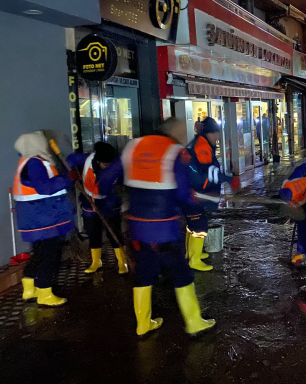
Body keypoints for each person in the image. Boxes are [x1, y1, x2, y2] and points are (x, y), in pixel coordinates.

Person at [122, 118, 215, 336]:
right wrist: (196, 200)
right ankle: (194, 323)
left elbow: (108, 178)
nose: (185, 135)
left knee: (144, 273)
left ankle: (143, 325)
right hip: (164, 228)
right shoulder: (174, 152)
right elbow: (182, 192)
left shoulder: (133, 147)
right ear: (172, 132)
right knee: (181, 273)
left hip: (137, 228)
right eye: (182, 131)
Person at [13, 131, 76, 306]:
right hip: (42, 216)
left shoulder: (28, 161)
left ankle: (30, 287)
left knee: (40, 253)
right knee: (49, 254)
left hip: (35, 217)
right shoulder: (35, 163)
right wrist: (66, 179)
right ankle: (44, 292)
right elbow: (44, 188)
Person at [184, 117, 240, 272]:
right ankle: (194, 260)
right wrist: (229, 179)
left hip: (192, 191)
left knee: (193, 224)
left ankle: (191, 253)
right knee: (200, 225)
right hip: (195, 192)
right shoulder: (202, 146)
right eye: (215, 133)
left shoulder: (201, 143)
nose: (217, 137)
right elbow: (209, 172)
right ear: (208, 133)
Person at [66, 142, 128, 275]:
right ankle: (96, 262)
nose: (108, 167)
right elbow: (70, 159)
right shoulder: (86, 159)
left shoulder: (118, 165)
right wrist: (71, 173)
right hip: (89, 202)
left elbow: (123, 183)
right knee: (93, 233)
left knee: (114, 233)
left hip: (110, 203)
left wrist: (117, 191)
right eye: (105, 165)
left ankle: (122, 262)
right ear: (98, 160)